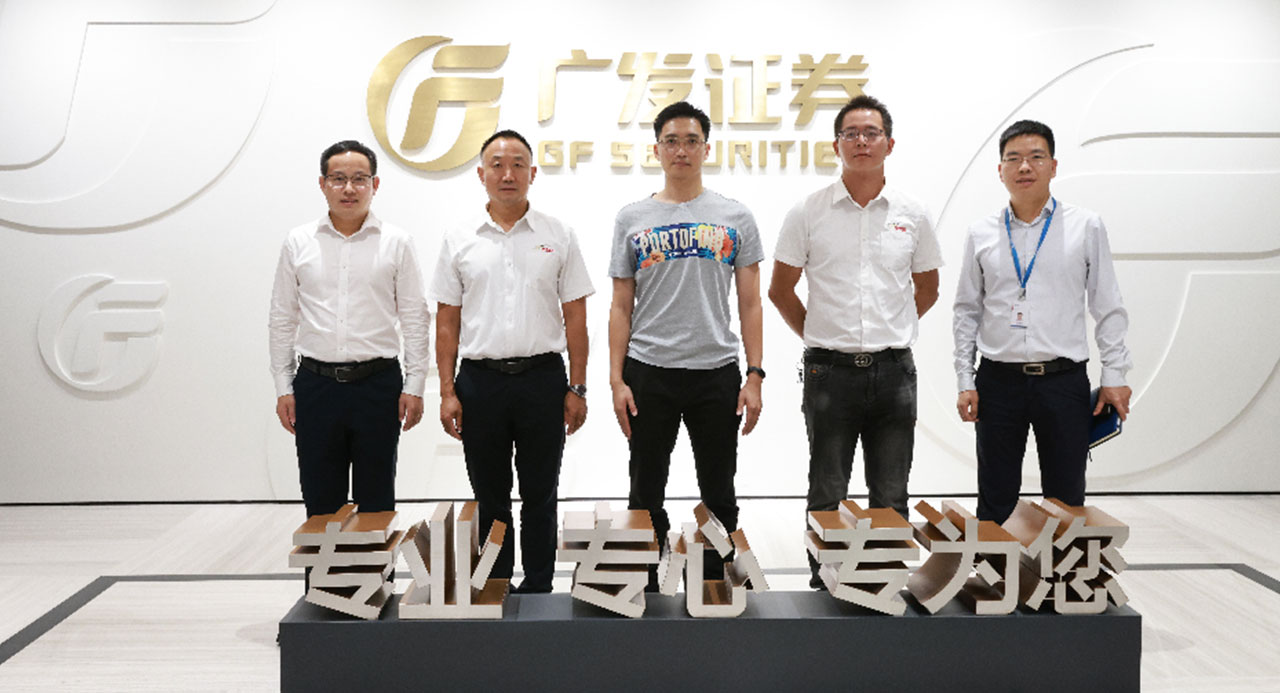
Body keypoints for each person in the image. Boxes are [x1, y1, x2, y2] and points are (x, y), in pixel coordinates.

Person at [768, 95, 943, 589]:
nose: (861, 141)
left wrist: (892, 326)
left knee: (891, 489)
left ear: (890, 143)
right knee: (827, 486)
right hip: (829, 372)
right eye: (851, 133)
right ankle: (825, 583)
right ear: (836, 145)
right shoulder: (808, 212)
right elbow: (780, 290)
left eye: (871, 133)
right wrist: (821, 336)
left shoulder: (913, 213)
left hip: (894, 372)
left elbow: (928, 288)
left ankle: (883, 583)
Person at [608, 101, 764, 586]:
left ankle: (716, 585)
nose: (681, 150)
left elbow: (751, 303)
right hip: (648, 369)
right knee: (644, 489)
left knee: (719, 489)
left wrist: (754, 374)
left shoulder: (735, 216)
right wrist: (615, 379)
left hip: (716, 372)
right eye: (671, 141)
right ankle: (643, 583)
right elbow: (620, 306)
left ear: (706, 149)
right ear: (657, 149)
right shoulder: (632, 218)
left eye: (691, 141)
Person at [431, 130, 593, 594]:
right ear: (481, 174)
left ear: (533, 174)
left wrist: (577, 386)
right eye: (497, 165)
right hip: (479, 383)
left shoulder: (558, 234)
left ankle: (539, 585)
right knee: (490, 495)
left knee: (541, 492)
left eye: (518, 164)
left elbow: (576, 317)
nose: (508, 174)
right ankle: (496, 584)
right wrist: (447, 391)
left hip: (543, 379)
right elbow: (447, 321)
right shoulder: (459, 238)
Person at [953, 119, 1133, 524]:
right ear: (1000, 170)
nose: (1024, 167)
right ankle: (995, 564)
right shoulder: (981, 232)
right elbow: (967, 310)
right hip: (998, 381)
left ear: (1053, 166)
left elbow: (1108, 305)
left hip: (1063, 380)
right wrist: (965, 379)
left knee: (1066, 495)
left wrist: (1115, 373)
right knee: (995, 495)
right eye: (1013, 158)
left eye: (1036, 157)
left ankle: (1062, 568)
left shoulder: (1086, 225)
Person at [269, 140, 429, 522]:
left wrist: (415, 385)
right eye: (338, 178)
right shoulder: (298, 242)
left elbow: (414, 318)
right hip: (316, 385)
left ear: (375, 184)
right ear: (322, 184)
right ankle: (324, 566)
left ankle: (374, 566)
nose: (349, 188)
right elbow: (282, 318)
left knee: (377, 499)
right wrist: (283, 386)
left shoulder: (396, 242)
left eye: (359, 179)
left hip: (378, 385)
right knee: (321, 500)